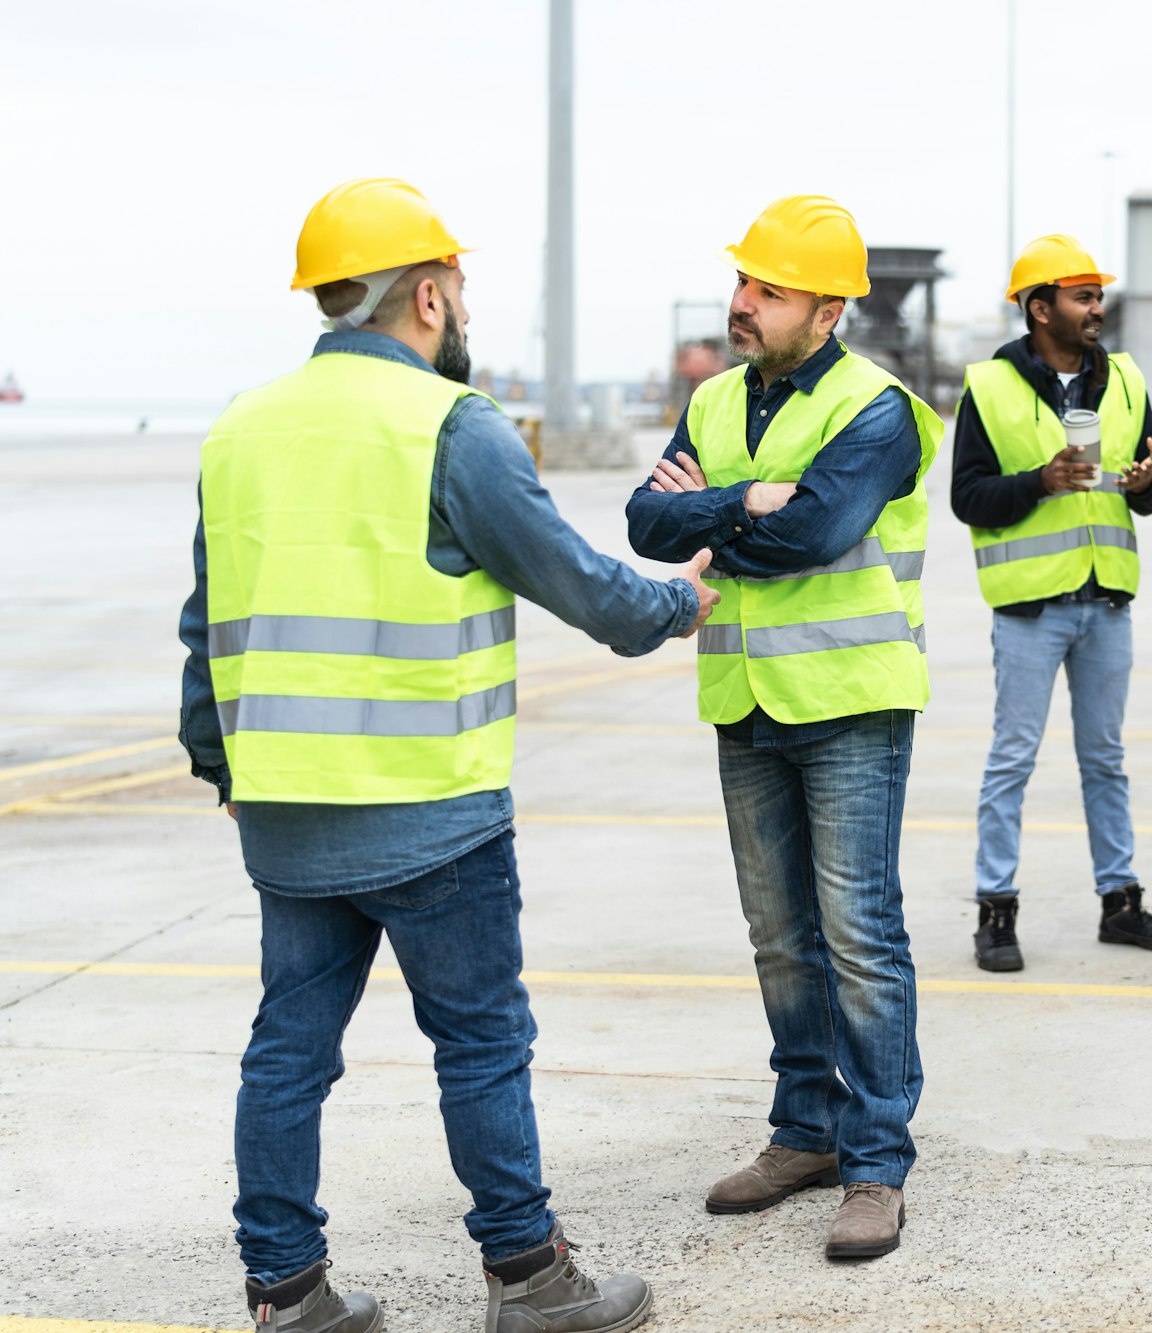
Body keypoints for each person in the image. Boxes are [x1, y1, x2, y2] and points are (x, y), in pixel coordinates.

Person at [178, 177, 716, 1333]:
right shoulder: (450, 427)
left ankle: (286, 1292)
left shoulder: (240, 427)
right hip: (433, 810)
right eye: (458, 289)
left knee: (287, 1051)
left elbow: (203, 623)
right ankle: (529, 1277)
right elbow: (578, 582)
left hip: (286, 810)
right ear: (427, 295)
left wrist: (224, 771)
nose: (462, 310)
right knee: (479, 1040)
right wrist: (677, 601)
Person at [625, 196, 940, 1260]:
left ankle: (876, 1159)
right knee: (777, 938)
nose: (742, 303)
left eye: (767, 290)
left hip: (849, 700)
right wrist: (741, 497)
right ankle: (802, 1131)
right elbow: (643, 519)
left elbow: (814, 531)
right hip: (746, 700)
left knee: (858, 934)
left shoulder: (879, 408)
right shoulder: (715, 397)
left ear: (829, 307)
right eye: (743, 284)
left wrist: (724, 512)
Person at [950, 234, 1152, 972]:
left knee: (1105, 759)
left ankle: (1121, 903)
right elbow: (968, 498)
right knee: (1012, 760)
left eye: (1098, 295)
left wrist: (1146, 482)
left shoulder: (1124, 381)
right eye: (1083, 296)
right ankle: (996, 910)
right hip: (1030, 610)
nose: (1097, 308)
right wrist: (1038, 482)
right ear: (1039, 306)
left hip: (1105, 603)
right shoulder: (989, 389)